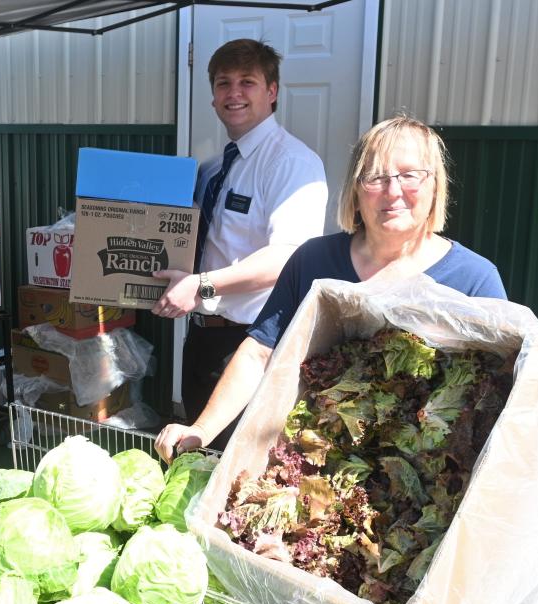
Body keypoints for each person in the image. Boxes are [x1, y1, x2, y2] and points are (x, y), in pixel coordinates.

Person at [155, 114, 507, 463]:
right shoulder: (314, 261)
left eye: (409, 175)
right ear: (356, 190)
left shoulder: (473, 279)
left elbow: (496, 394)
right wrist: (201, 429)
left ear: (434, 185)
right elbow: (259, 353)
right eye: (376, 177)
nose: (393, 190)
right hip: (315, 466)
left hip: (421, 480)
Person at [151, 39, 328, 449]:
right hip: (201, 339)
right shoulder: (213, 168)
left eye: (247, 82)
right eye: (222, 83)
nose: (233, 93)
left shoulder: (292, 164)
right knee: (198, 460)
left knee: (237, 472)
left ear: (272, 91)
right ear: (212, 97)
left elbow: (288, 257)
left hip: (251, 346)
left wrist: (202, 285)